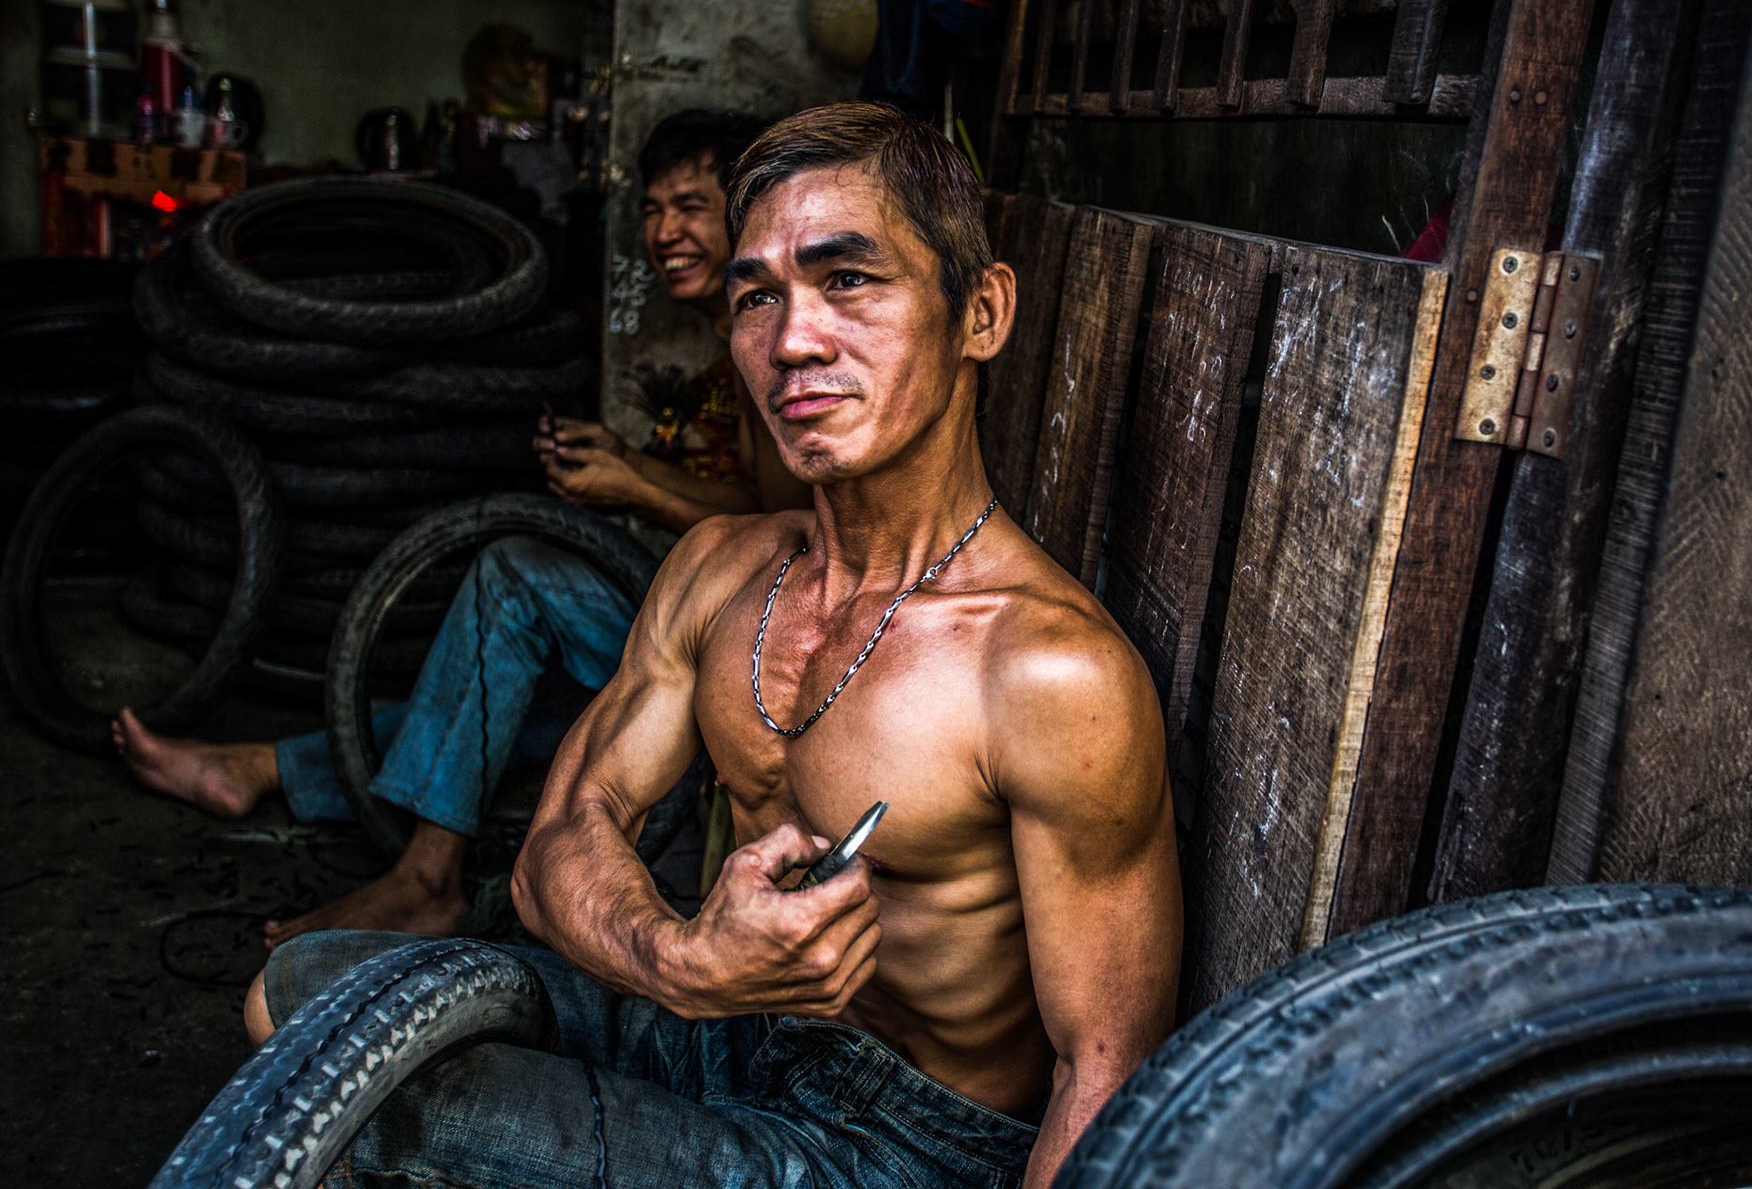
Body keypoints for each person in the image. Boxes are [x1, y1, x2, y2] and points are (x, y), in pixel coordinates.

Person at [246, 102, 1181, 1189]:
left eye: (850, 280)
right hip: (718, 1024)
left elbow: (1106, 1072)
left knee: (362, 1107)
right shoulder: (721, 567)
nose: (792, 339)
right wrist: (681, 959)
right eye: (757, 296)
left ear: (980, 310)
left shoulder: (1047, 669)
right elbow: (564, 835)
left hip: (897, 1139)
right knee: (300, 993)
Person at [113, 109, 809, 948]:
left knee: (516, 573)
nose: (666, 232)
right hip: (709, 625)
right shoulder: (731, 336)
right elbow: (742, 494)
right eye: (654, 211)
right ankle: (260, 767)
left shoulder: (772, 337)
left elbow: (785, 534)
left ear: (746, 214)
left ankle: (422, 879)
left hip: (755, 646)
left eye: (691, 207)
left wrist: (635, 484)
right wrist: (626, 464)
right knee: (498, 698)